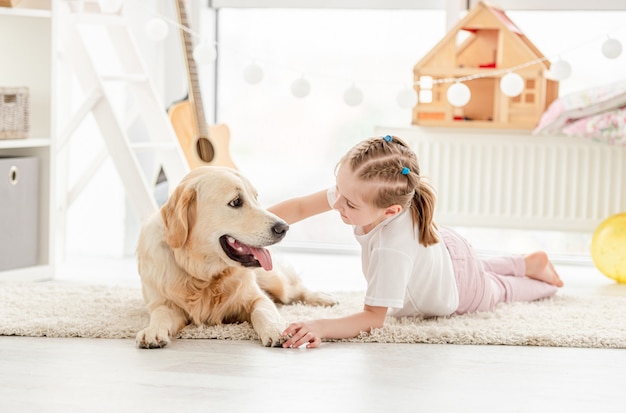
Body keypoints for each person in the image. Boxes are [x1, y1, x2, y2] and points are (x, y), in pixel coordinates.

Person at [269, 135, 564, 349]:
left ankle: (544, 282)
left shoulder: (392, 248)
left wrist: (320, 326)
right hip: (443, 254)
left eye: (349, 204)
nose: (337, 204)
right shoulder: (359, 193)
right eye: (338, 191)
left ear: (391, 211)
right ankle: (524, 262)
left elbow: (373, 318)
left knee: (499, 289)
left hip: (459, 288)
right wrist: (252, 225)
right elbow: (298, 208)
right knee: (474, 268)